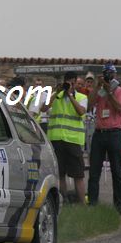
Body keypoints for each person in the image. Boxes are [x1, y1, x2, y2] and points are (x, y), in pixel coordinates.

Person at [87, 63, 121, 214]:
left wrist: (109, 92)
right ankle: (92, 203)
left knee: (117, 170)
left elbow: (119, 108)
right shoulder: (99, 90)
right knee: (94, 171)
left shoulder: (120, 91)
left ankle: (119, 204)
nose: (107, 76)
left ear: (115, 75)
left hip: (114, 133)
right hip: (99, 132)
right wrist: (98, 88)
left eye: (110, 74)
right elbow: (90, 105)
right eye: (105, 74)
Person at [42, 71, 87, 204]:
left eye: (73, 83)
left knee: (78, 174)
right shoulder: (56, 96)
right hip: (57, 139)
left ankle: (82, 204)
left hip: (73, 140)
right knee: (60, 173)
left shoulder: (81, 97)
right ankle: (64, 201)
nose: (71, 85)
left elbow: (81, 111)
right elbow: (44, 108)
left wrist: (70, 95)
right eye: (69, 83)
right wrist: (57, 92)